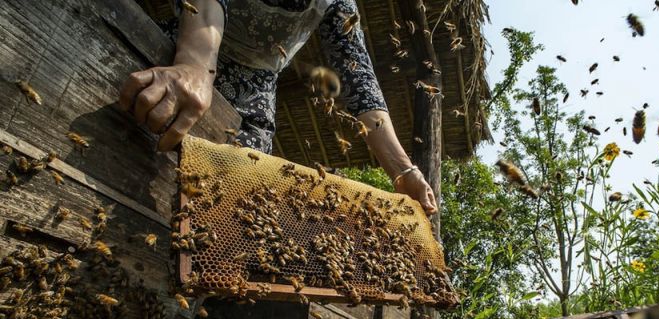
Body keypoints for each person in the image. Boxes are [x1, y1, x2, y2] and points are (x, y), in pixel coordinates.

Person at [119, 0, 437, 214]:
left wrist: (403, 171)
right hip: (184, 52)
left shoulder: (341, 4)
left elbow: (360, 82)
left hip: (254, 96)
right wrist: (194, 64)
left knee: (234, 206)